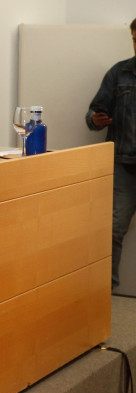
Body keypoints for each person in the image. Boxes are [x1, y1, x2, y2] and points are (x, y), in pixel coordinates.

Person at [86, 17, 136, 289]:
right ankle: (105, 295)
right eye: (135, 40)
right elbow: (93, 114)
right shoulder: (118, 74)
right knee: (113, 229)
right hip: (123, 165)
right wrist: (96, 119)